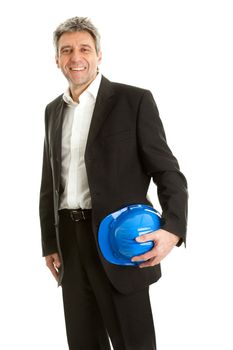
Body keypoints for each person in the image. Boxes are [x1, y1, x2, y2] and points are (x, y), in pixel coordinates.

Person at [39, 16, 188, 350]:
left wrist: (173, 228)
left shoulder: (133, 101)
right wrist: (50, 242)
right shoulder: (53, 111)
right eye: (66, 50)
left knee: (133, 342)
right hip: (70, 243)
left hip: (118, 238)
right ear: (57, 59)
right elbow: (50, 181)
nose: (75, 57)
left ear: (98, 54)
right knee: (83, 341)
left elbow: (168, 172)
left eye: (83, 49)